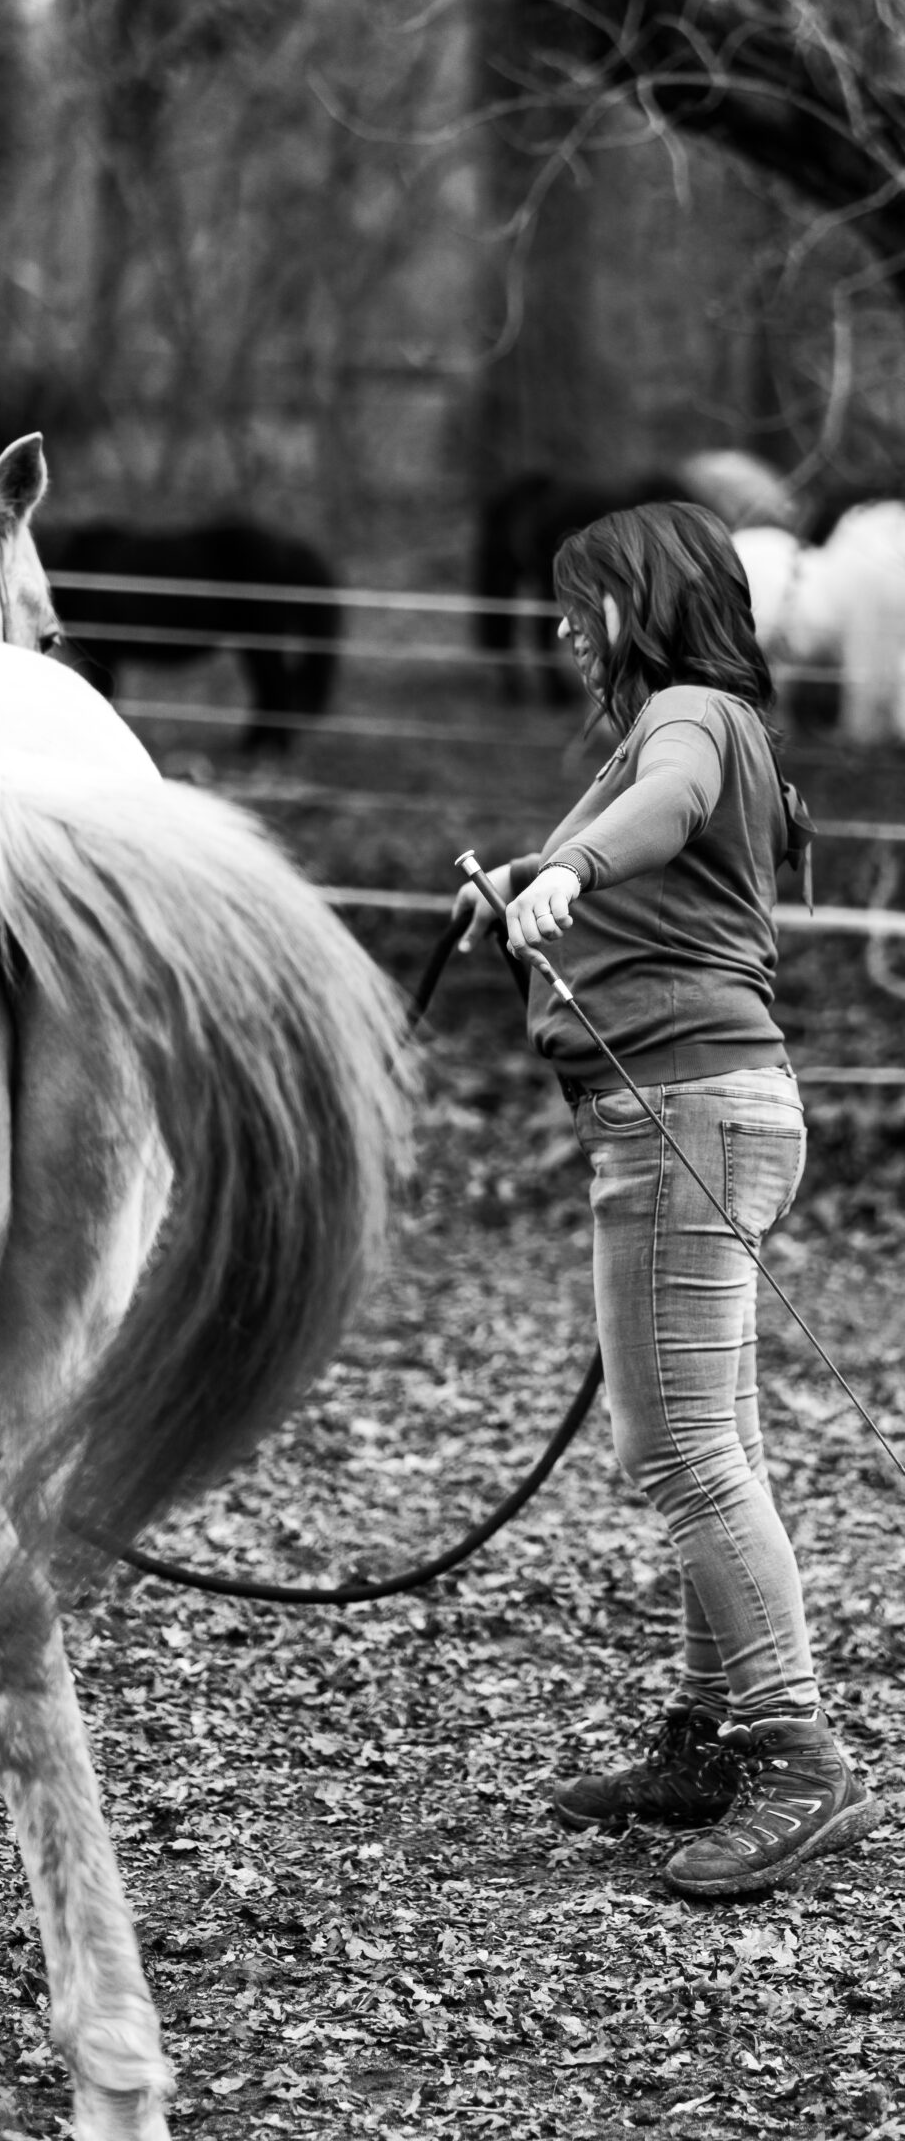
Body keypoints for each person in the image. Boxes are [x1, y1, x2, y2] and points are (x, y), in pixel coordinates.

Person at [454, 499, 878, 1901]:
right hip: (709, 1104)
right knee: (717, 1443)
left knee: (682, 1452)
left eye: (584, 604)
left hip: (681, 1111)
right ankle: (707, 1739)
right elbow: (655, 843)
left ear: (642, 604)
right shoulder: (691, 718)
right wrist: (523, 879)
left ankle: (794, 1753)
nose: (565, 629)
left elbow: (666, 812)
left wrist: (569, 868)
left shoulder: (689, 716)